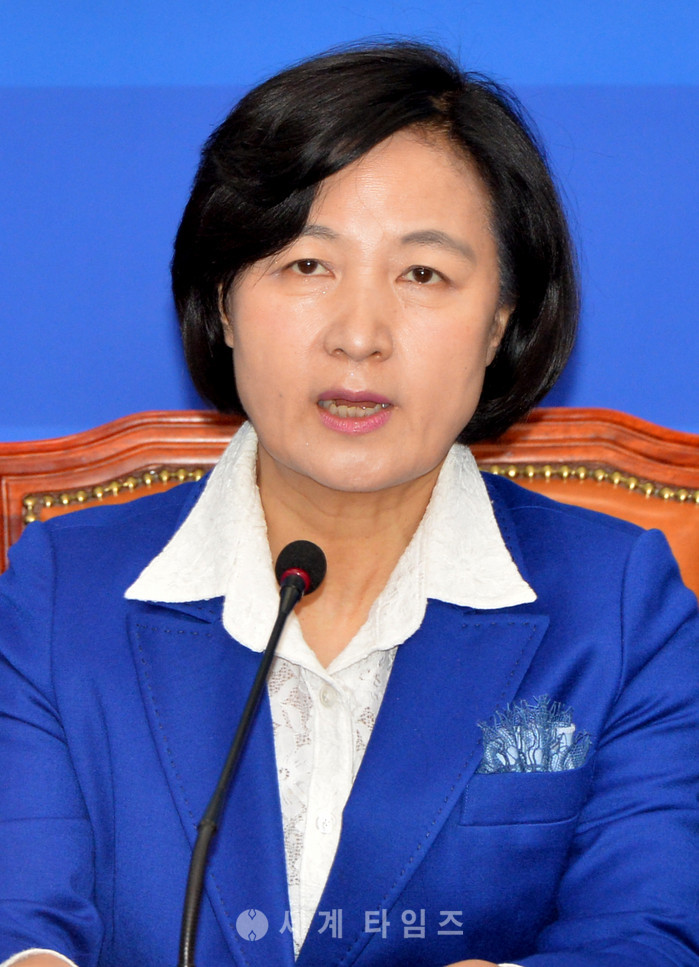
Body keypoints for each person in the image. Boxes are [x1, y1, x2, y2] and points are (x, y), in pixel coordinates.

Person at [1, 41, 698, 967]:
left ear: (499, 321)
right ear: (222, 300)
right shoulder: (61, 591)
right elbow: (19, 919)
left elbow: (643, 932)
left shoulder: (618, 607)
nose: (359, 336)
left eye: (422, 275)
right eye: (305, 265)